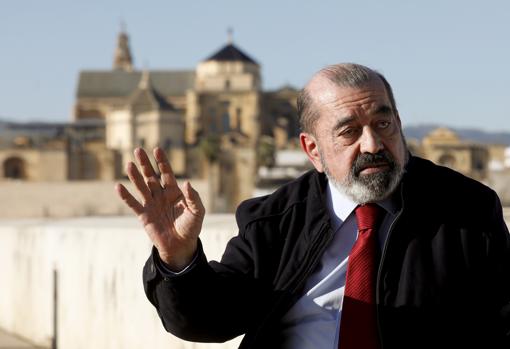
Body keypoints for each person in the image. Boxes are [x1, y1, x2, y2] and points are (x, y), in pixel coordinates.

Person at [116, 63, 510, 349]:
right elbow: (210, 320)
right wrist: (179, 259)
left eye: (383, 124)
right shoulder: (276, 220)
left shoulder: (465, 211)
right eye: (349, 132)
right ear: (312, 150)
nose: (372, 144)